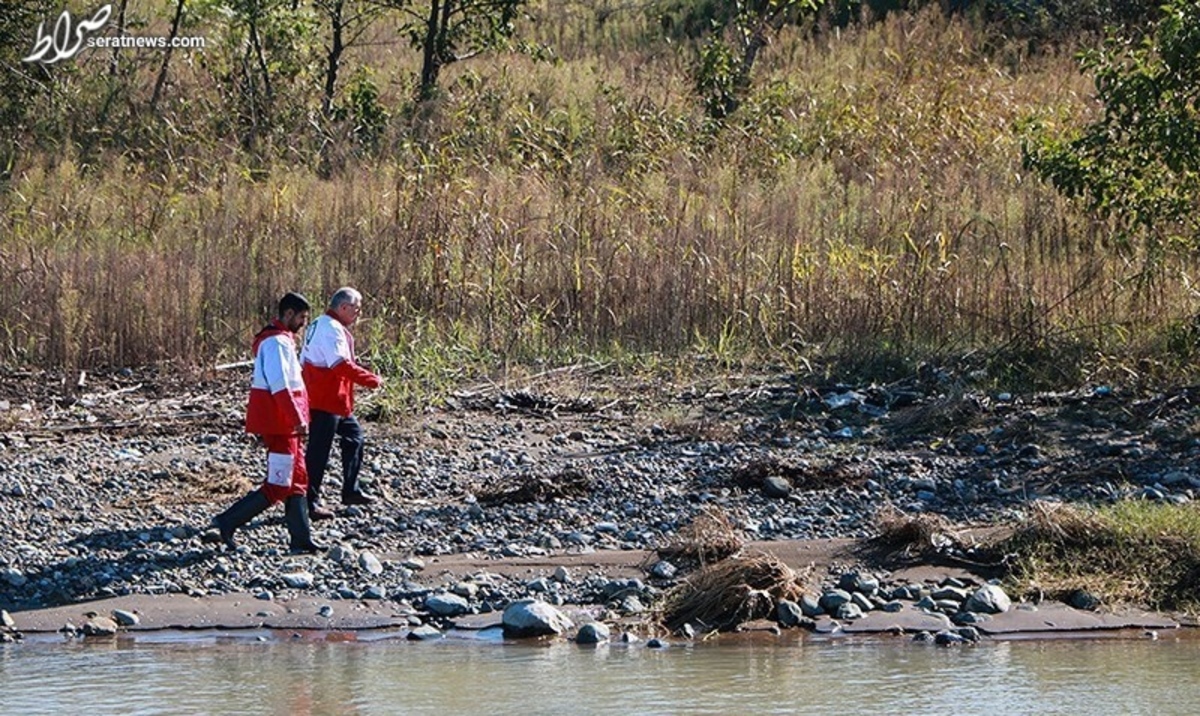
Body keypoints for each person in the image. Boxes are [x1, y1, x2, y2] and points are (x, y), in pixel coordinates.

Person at [211, 292, 324, 554]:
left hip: (284, 423)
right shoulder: (276, 344)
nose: (303, 324)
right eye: (301, 318)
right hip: (280, 424)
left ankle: (301, 540)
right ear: (288, 315)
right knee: (279, 484)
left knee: (298, 480)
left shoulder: (280, 340)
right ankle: (227, 522)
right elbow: (280, 385)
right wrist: (297, 419)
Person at [301, 286, 383, 519]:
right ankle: (309, 502)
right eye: (356, 308)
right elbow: (340, 364)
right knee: (318, 452)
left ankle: (350, 490)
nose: (359, 313)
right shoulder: (330, 329)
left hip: (335, 400)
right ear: (343, 307)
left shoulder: (322, 323)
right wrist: (371, 380)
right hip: (325, 398)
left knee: (354, 438)